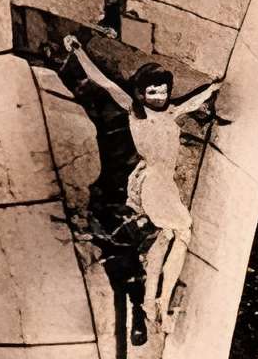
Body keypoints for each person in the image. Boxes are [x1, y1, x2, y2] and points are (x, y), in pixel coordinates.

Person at [61, 32, 221, 343]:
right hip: (152, 184)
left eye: (162, 91)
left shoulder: (170, 112)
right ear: (142, 94)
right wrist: (79, 52)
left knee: (168, 236)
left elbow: (190, 103)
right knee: (183, 230)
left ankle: (152, 303)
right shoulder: (136, 112)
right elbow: (104, 82)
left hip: (162, 185)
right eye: (152, 92)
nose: (159, 96)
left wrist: (213, 88)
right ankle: (159, 299)